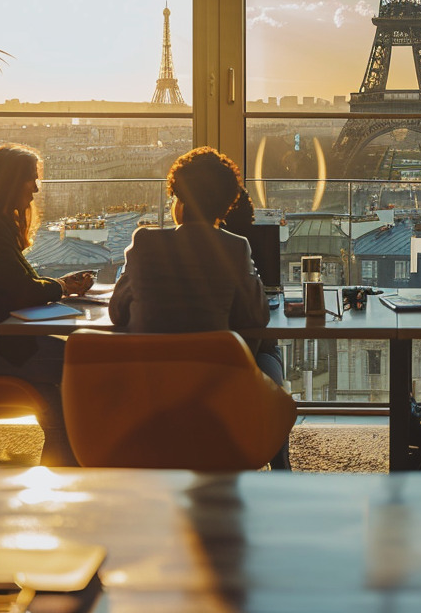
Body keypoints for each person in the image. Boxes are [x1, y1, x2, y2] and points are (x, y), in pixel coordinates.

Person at [109, 147, 291, 470]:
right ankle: (278, 461)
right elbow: (258, 317)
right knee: (270, 349)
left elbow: (117, 311)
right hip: (216, 395)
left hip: (153, 396)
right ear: (225, 206)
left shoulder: (143, 243)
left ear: (178, 201)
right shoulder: (236, 248)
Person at [0, 144, 91, 466]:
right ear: (11, 182)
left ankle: (67, 461)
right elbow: (22, 290)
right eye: (31, 179)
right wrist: (61, 286)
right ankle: (74, 460)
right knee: (84, 366)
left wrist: (58, 286)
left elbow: (15, 285)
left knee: (68, 380)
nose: (36, 188)